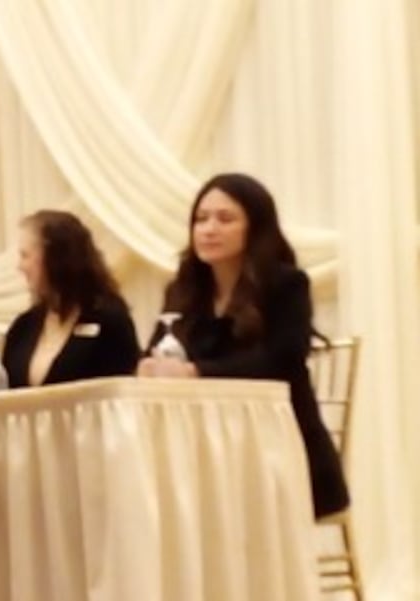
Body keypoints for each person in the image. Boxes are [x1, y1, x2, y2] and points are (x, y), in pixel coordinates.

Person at [138, 172, 349, 519]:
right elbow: (156, 349)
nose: (209, 229)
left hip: (278, 443)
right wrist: (148, 366)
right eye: (201, 219)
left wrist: (195, 372)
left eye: (225, 219)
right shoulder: (184, 288)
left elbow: (281, 359)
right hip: (205, 442)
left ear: (255, 227)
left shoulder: (286, 283)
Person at [1, 209, 140, 387]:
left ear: (54, 257)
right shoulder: (23, 326)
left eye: (25, 256)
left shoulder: (109, 319)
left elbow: (124, 389)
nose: (20, 266)